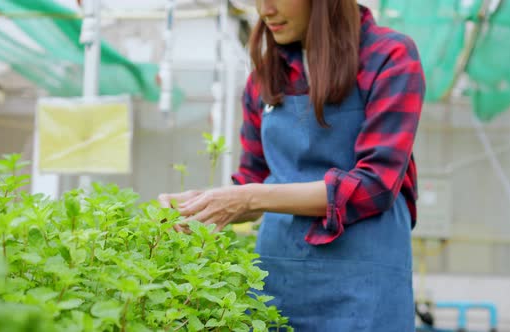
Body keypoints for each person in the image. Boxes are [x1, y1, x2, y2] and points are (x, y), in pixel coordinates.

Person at [159, 0, 425, 330]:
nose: (265, 9)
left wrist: (249, 197)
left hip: (365, 286)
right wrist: (203, 204)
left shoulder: (389, 57)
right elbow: (253, 178)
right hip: (279, 282)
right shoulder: (266, 77)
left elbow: (375, 185)